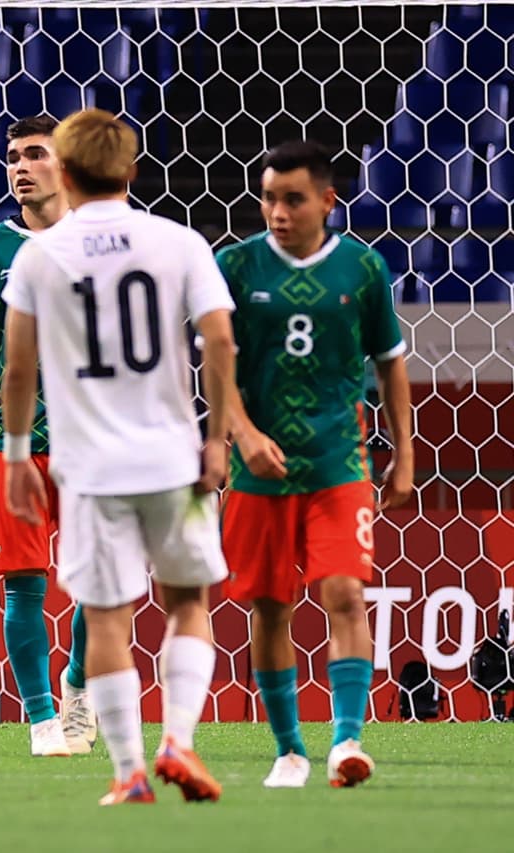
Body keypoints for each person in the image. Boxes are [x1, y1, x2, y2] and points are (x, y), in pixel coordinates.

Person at [2, 108, 276, 805]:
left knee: (104, 617)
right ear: (131, 169)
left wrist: (10, 456)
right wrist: (217, 439)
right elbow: (220, 342)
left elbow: (18, 367)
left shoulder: (39, 254)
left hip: (88, 467)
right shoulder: (178, 241)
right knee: (187, 601)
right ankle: (178, 739)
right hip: (172, 459)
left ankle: (127, 771)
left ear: (63, 171)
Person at [215, 140, 413, 789]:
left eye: (293, 199)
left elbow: (390, 362)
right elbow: (216, 364)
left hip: (338, 463)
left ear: (328, 200)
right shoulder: (236, 266)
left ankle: (347, 741)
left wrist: (405, 454)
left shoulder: (362, 268)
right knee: (269, 605)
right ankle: (289, 750)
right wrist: (241, 435)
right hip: (257, 470)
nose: (277, 211)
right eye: (269, 197)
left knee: (345, 592)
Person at [0, 114, 96, 757]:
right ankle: (42, 719)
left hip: (97, 439)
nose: (19, 166)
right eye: (12, 156)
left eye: (34, 154)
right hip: (16, 442)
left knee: (102, 578)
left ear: (63, 166)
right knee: (24, 582)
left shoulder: (104, 242)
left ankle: (79, 685)